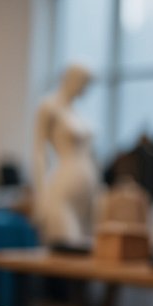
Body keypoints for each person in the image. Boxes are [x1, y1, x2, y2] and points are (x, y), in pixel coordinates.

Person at [33, 64, 98, 247]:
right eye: (84, 83)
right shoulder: (49, 106)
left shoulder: (78, 112)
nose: (86, 89)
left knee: (87, 256)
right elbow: (39, 152)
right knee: (66, 249)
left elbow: (92, 155)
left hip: (87, 193)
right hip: (63, 191)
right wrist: (41, 196)